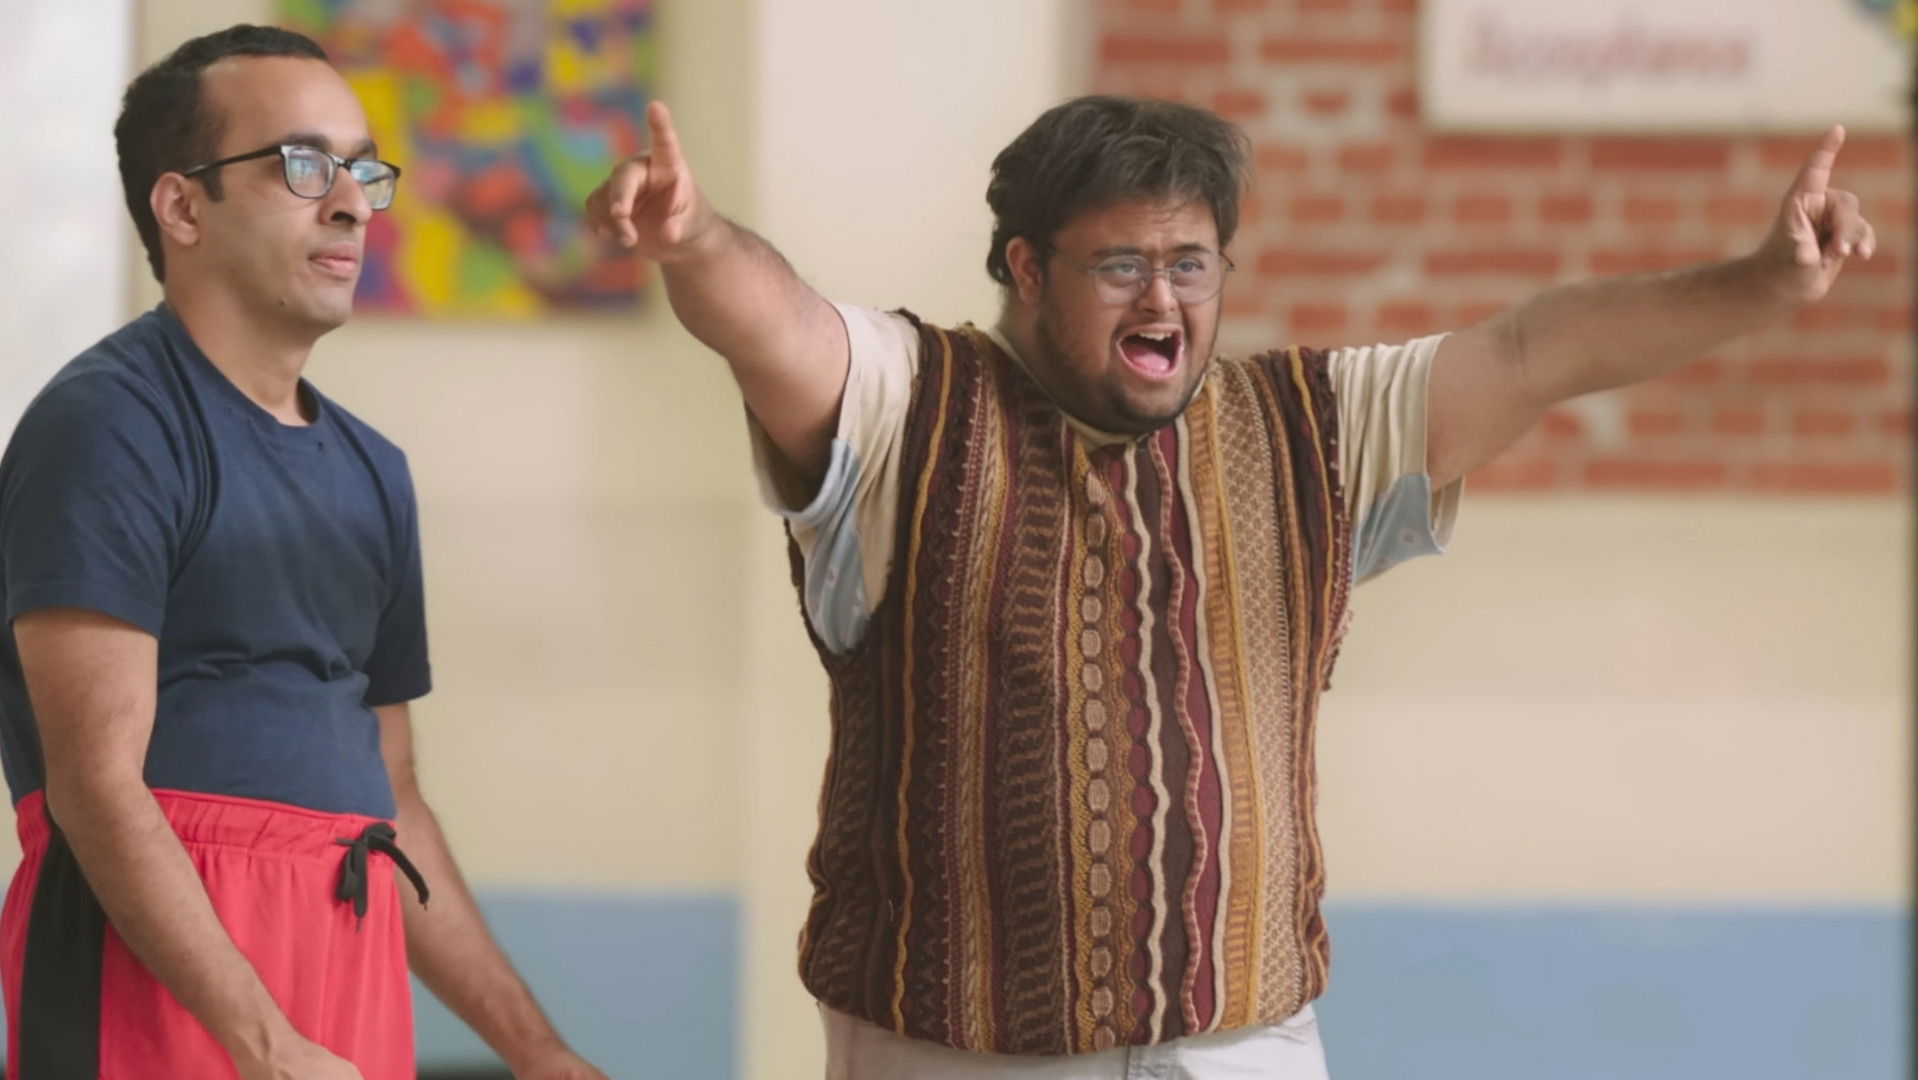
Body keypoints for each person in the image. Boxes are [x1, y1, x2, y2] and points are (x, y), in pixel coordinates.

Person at [586, 94, 1874, 1078]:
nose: (1164, 297)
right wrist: (692, 241)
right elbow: (779, 323)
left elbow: (1539, 350)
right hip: (953, 1054)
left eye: (1192, 262)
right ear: (1027, 269)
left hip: (1242, 1050)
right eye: (1121, 265)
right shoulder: (910, 403)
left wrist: (1763, 282)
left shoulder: (1312, 425)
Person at [0, 25, 607, 1080]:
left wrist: (536, 1051)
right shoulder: (107, 427)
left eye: (362, 170)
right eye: (303, 165)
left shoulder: (375, 471)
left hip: (347, 948)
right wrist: (266, 1043)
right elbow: (94, 784)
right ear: (182, 206)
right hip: (159, 973)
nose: (352, 205)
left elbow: (394, 799)